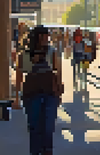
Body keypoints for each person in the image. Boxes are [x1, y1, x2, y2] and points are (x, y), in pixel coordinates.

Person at [21, 25, 63, 155]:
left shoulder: (52, 51)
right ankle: (35, 152)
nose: (47, 38)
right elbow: (21, 73)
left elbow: (57, 71)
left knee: (48, 127)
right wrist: (17, 97)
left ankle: (47, 151)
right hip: (32, 94)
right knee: (34, 127)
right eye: (45, 35)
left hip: (50, 93)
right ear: (39, 37)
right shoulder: (26, 54)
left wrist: (59, 90)